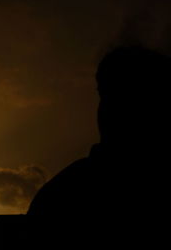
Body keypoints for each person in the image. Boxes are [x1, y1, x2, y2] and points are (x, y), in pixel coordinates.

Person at [26, 46, 170, 248]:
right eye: (108, 96)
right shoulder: (65, 194)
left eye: (129, 97)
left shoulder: (64, 192)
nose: (112, 110)